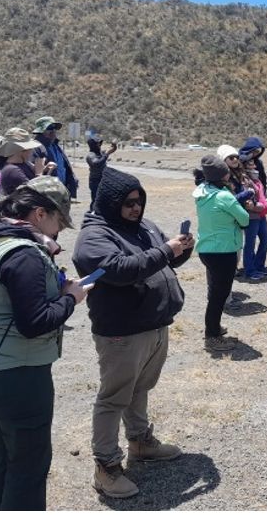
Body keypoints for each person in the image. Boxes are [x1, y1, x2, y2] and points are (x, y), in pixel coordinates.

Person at [73, 166, 193, 498]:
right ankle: (107, 467)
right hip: (122, 331)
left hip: (153, 324)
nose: (135, 208)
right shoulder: (94, 236)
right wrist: (167, 250)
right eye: (128, 203)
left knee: (140, 388)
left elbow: (161, 261)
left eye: (139, 201)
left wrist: (181, 248)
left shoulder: (141, 226)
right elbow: (122, 271)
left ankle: (140, 442)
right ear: (111, 203)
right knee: (114, 398)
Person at [0, 176, 85, 511]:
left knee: (5, 458)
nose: (60, 230)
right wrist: (71, 299)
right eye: (58, 221)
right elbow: (34, 323)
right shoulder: (24, 253)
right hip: (21, 375)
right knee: (29, 468)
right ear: (38, 214)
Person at [193, 153, 252, 353]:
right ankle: (212, 337)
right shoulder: (224, 196)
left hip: (207, 248)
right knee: (219, 295)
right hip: (224, 250)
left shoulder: (202, 191)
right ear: (223, 175)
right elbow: (244, 219)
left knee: (215, 293)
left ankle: (214, 326)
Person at [238, 137, 267, 282]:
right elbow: (249, 202)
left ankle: (259, 265)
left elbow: (262, 189)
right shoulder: (245, 178)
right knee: (250, 242)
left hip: (260, 213)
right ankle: (250, 269)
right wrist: (263, 204)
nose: (254, 162)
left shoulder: (256, 176)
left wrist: (265, 201)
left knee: (265, 240)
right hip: (252, 215)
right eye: (254, 152)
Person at [33, 116, 78, 200]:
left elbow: (64, 166)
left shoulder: (55, 145)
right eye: (50, 128)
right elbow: (34, 172)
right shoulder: (36, 147)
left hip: (61, 190)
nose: (53, 131)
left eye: (55, 128)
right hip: (48, 193)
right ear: (41, 131)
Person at [0, 127, 44, 197]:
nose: (31, 151)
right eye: (30, 148)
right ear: (22, 150)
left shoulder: (24, 164)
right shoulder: (12, 171)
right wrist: (39, 174)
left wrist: (43, 169)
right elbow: (36, 193)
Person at [84, 134, 117, 210]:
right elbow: (97, 163)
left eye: (100, 143)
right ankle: (93, 214)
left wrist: (114, 144)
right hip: (95, 181)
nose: (99, 145)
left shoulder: (101, 153)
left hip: (104, 180)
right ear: (93, 145)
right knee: (96, 200)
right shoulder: (90, 155)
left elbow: (112, 149)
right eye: (98, 143)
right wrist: (106, 154)